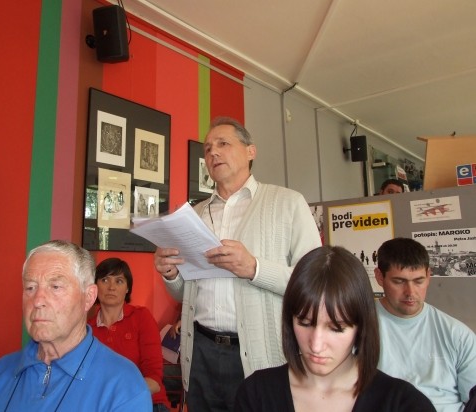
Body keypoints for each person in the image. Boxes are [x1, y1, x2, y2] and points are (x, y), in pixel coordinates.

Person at [154, 116, 321, 411]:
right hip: (200, 351)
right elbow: (185, 293)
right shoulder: (195, 214)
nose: (213, 153)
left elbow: (316, 283)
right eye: (208, 148)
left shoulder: (288, 203)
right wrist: (171, 274)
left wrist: (255, 268)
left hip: (261, 353)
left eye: (223, 143)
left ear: (250, 151)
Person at [234, 245, 436, 412]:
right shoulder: (256, 393)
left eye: (336, 328)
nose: (316, 345)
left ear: (361, 326)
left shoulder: (405, 404)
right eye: (305, 323)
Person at [0, 240, 151, 412]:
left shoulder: (124, 388)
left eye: (55, 287)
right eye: (30, 288)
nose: (37, 301)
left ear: (88, 297)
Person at [374, 238, 476, 412]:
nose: (410, 292)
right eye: (399, 281)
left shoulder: (458, 335)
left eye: (418, 281)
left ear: (428, 276)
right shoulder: (356, 327)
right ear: (379, 277)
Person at [88, 257, 171, 412]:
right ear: (95, 286)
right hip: (105, 406)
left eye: (119, 281)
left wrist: (114, 394)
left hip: (149, 403)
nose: (111, 287)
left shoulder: (141, 317)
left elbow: (154, 381)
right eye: (105, 280)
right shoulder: (87, 330)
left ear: (127, 289)